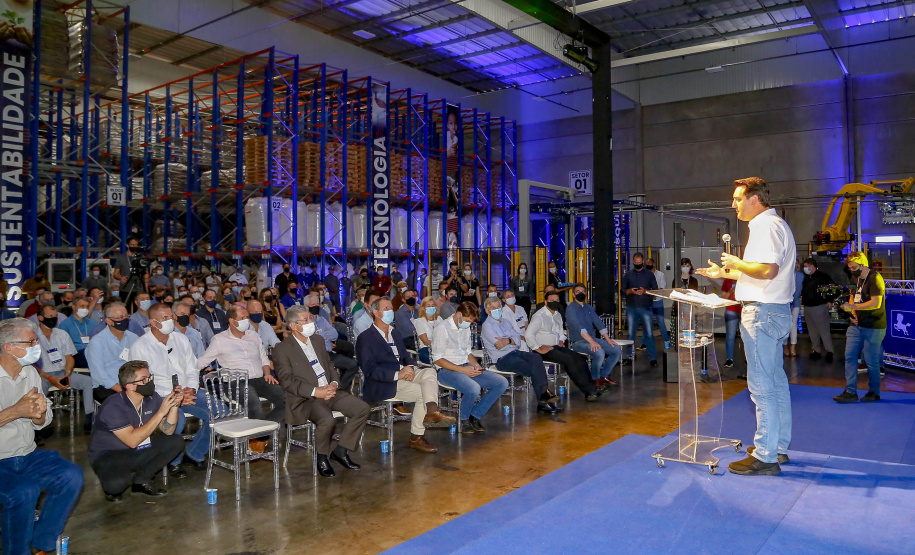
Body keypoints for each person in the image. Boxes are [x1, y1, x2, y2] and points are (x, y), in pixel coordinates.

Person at [697, 177, 796, 476]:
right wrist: (725, 273)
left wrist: (737, 263)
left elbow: (768, 270)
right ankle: (776, 446)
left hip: (762, 313)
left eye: (738, 199)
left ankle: (765, 456)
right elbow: (762, 273)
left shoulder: (765, 226)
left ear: (754, 199)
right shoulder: (776, 224)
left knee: (762, 387)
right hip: (774, 311)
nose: (734, 205)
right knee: (775, 382)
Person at [0, 319, 84, 554]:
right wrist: (16, 411)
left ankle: (41, 543)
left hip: (26, 454)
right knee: (23, 491)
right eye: (31, 342)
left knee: (70, 475)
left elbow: (41, 421)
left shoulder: (29, 373)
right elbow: (19, 411)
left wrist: (39, 414)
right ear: (9, 347)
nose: (37, 346)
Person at [273, 306, 369, 477]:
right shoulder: (282, 349)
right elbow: (287, 381)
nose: (311, 322)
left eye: (311, 318)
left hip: (329, 391)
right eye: (305, 320)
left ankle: (341, 450)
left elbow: (330, 365)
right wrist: (315, 391)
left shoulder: (317, 340)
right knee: (327, 420)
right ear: (293, 325)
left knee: (362, 408)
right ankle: (322, 457)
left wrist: (334, 383)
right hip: (306, 399)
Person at [356, 298, 454, 452]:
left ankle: (432, 411)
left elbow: (405, 357)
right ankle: (416, 437)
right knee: (422, 392)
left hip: (404, 374)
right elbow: (369, 370)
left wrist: (410, 368)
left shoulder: (394, 333)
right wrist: (398, 375)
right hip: (383, 382)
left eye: (391, 308)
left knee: (430, 371)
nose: (390, 311)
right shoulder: (365, 338)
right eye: (386, 308)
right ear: (376, 312)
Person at [129, 303, 210, 476]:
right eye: (165, 318)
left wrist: (191, 389)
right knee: (177, 420)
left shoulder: (181, 339)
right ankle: (174, 461)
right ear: (153, 322)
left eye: (171, 317)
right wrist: (175, 397)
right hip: (159, 396)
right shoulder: (140, 346)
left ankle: (195, 453)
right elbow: (142, 383)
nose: (170, 321)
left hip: (186, 391)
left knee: (220, 410)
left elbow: (192, 368)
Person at [88, 360, 184, 501]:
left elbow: (168, 430)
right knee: (116, 487)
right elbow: (132, 441)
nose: (149, 382)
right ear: (130, 386)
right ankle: (114, 478)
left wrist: (175, 405)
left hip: (137, 448)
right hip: (109, 454)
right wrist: (160, 413)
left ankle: (141, 481)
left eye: (149, 377)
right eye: (144, 379)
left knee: (175, 441)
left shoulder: (152, 398)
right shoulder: (113, 406)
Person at [198, 306, 285, 427]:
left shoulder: (253, 336)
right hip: (236, 382)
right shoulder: (219, 340)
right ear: (231, 321)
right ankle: (260, 433)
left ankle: (264, 429)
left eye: (247, 317)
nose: (246, 320)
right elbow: (203, 360)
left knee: (287, 400)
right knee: (254, 404)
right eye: (242, 318)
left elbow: (263, 358)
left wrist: (267, 373)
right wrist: (189, 372)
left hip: (260, 378)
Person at [432, 302, 508, 432]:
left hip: (465, 366)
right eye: (467, 320)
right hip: (446, 370)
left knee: (501, 383)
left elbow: (468, 353)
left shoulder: (465, 328)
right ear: (459, 314)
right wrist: (463, 370)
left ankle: (475, 415)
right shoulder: (442, 328)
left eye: (471, 321)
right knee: (473, 388)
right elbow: (438, 359)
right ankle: (464, 419)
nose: (468, 323)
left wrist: (477, 366)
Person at [481, 297, 561, 413]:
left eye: (498, 307)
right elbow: (499, 345)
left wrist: (507, 340)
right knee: (534, 368)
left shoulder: (506, 322)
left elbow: (518, 340)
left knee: (536, 357)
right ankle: (544, 398)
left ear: (501, 307)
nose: (496, 309)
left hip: (515, 352)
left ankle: (544, 397)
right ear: (487, 311)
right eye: (493, 308)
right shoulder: (487, 326)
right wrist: (511, 341)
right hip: (502, 359)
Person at [527, 291, 602, 401]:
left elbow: (560, 331)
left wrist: (561, 340)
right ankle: (590, 391)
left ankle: (592, 387)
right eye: (552, 300)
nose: (555, 302)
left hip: (556, 346)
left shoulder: (557, 315)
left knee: (580, 358)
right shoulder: (539, 316)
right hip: (543, 349)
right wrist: (537, 348)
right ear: (546, 302)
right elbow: (529, 334)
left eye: (557, 300)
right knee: (569, 360)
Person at [834, 252, 886, 404]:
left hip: (874, 325)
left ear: (863, 264)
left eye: (854, 267)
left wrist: (853, 307)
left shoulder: (875, 278)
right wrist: (852, 313)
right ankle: (850, 391)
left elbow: (876, 303)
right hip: (856, 324)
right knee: (850, 356)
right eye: (849, 267)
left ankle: (874, 392)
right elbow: (853, 295)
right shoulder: (854, 278)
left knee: (871, 360)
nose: (851, 270)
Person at [35, 305, 95, 431]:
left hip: (62, 371)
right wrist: (49, 378)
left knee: (88, 381)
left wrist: (67, 374)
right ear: (40, 318)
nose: (53, 318)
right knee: (38, 388)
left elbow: (69, 357)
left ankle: (89, 416)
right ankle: (39, 423)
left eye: (55, 316)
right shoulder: (34, 336)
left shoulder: (62, 334)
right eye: (50, 316)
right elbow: (33, 364)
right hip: (43, 374)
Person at [566, 284, 622, 388]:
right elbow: (579, 328)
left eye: (583, 291)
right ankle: (595, 379)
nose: (581, 293)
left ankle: (604, 376)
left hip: (592, 339)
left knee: (616, 350)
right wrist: (592, 342)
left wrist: (608, 339)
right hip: (578, 342)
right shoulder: (571, 309)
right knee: (599, 352)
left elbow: (598, 322)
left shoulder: (588, 307)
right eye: (578, 292)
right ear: (573, 295)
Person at [87, 302, 140, 404]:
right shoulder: (97, 341)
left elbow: (139, 363)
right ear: (108, 321)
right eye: (120, 318)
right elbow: (99, 374)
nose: (124, 320)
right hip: (107, 386)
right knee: (124, 403)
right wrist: (122, 390)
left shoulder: (133, 338)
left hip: (131, 382)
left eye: (126, 316)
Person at [305, 295, 359, 391]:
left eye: (317, 304)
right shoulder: (305, 323)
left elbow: (334, 334)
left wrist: (320, 334)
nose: (316, 306)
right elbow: (312, 338)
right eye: (313, 304)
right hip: (316, 356)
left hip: (329, 354)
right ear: (306, 306)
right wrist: (324, 336)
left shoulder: (321, 319)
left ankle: (340, 389)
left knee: (353, 364)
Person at [621, 252, 660, 367]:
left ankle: (653, 358)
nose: (637, 264)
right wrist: (630, 291)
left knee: (649, 333)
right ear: (633, 262)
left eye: (639, 262)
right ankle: (629, 356)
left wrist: (645, 291)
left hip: (646, 307)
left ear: (642, 261)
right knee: (631, 333)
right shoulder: (628, 275)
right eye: (635, 262)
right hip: (631, 307)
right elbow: (622, 291)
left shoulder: (649, 275)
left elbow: (655, 291)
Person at [801, 257, 835, 362]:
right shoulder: (807, 278)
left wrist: (830, 300)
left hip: (819, 307)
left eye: (806, 266)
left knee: (824, 330)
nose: (805, 268)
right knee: (812, 331)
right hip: (808, 307)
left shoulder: (823, 277)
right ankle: (816, 350)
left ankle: (829, 351)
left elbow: (833, 288)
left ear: (812, 266)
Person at [59, 297, 100, 368]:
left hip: (92, 351)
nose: (85, 309)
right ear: (73, 307)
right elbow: (64, 346)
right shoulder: (65, 325)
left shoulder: (92, 323)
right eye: (82, 306)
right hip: (76, 354)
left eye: (87, 306)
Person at [113, 236, 149, 311]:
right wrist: (120, 278)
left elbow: (146, 274)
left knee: (139, 309)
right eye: (132, 245)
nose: (135, 247)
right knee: (126, 308)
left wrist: (146, 288)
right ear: (127, 245)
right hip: (126, 287)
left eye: (136, 245)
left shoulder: (141, 257)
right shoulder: (121, 258)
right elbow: (115, 274)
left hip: (139, 287)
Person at [646, 258, 671, 350]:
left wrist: (654, 294)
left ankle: (666, 340)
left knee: (660, 322)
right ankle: (645, 343)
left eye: (649, 263)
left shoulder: (660, 275)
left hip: (658, 301)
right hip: (648, 302)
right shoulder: (645, 275)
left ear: (654, 264)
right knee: (647, 323)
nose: (648, 265)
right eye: (646, 264)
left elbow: (662, 288)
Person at [782, 259, 804, 357]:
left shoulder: (800, 275)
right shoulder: (784, 275)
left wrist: (793, 299)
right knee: (785, 325)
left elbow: (799, 290)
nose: (795, 264)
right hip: (784, 302)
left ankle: (793, 346)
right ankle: (785, 345)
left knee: (793, 325)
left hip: (795, 302)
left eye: (796, 263)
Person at [719, 279, 742, 370]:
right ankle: (729, 359)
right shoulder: (727, 280)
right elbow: (722, 297)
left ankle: (748, 359)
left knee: (747, 336)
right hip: (731, 309)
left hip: (744, 309)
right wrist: (730, 291)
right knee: (730, 335)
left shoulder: (745, 278)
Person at [413, 296, 441, 364]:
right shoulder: (419, 321)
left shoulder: (439, 319)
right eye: (428, 306)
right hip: (427, 349)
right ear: (423, 308)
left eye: (433, 305)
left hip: (441, 347)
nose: (431, 307)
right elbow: (426, 342)